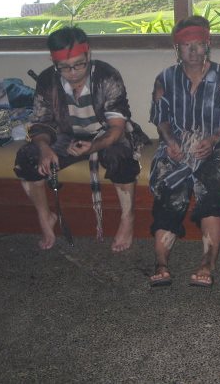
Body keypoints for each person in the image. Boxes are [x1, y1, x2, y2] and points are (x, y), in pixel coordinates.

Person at [14, 27, 148, 251]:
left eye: (79, 64)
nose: (73, 72)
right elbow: (41, 122)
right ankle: (45, 215)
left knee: (121, 157)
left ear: (89, 54)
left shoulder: (106, 76)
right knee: (28, 157)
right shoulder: (48, 79)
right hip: (66, 135)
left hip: (105, 132)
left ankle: (128, 217)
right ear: (53, 61)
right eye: (64, 67)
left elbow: (117, 127)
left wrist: (93, 146)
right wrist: (44, 148)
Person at [148, 16, 220, 288]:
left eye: (198, 44)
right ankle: (160, 262)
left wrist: (212, 140)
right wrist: (170, 142)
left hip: (217, 143)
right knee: (170, 193)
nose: (192, 51)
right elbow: (161, 118)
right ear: (176, 48)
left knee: (212, 190)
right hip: (177, 143)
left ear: (207, 45)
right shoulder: (165, 78)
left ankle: (207, 262)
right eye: (186, 45)